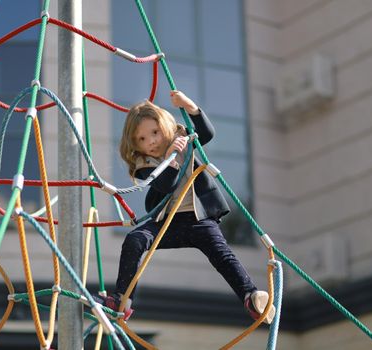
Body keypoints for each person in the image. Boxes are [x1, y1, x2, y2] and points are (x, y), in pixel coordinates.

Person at [96, 91, 275, 323]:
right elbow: (166, 184)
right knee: (135, 239)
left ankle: (251, 296)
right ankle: (122, 300)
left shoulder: (183, 139)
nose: (150, 141)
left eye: (155, 132)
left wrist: (190, 107)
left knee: (222, 254)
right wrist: (172, 157)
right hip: (167, 221)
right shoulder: (144, 165)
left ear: (166, 128)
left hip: (200, 219)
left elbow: (207, 134)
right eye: (141, 139)